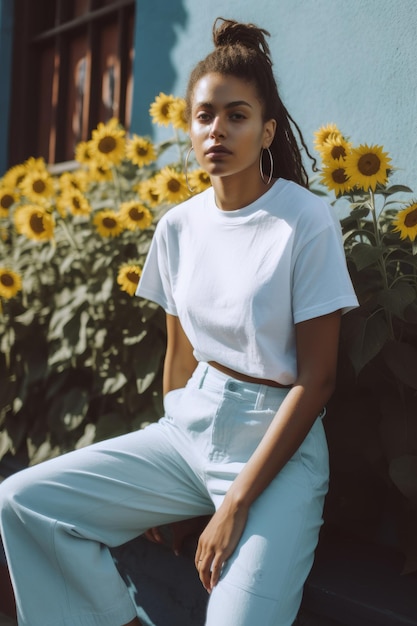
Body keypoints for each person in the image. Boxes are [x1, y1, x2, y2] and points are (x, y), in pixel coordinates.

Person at [0, 17, 358, 626]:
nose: (217, 130)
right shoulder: (178, 226)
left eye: (237, 115)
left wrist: (234, 503)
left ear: (267, 130)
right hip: (190, 428)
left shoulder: (304, 221)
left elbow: (318, 379)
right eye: (204, 116)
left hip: (276, 448)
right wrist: (164, 483)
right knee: (23, 501)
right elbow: (180, 358)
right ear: (189, 128)